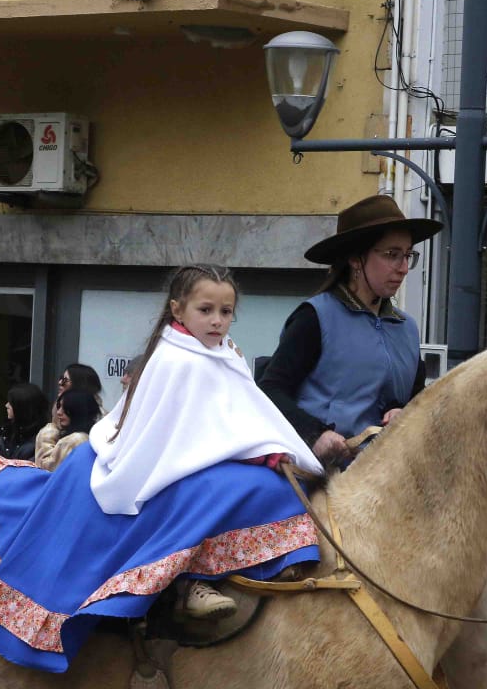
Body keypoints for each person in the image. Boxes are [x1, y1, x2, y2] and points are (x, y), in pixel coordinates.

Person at [89, 264, 323, 617]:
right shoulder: (176, 358)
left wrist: (266, 449)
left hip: (211, 455)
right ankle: (190, 582)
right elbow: (192, 432)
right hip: (172, 464)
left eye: (226, 312)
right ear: (177, 309)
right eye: (206, 310)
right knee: (221, 493)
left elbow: (238, 412)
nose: (217, 321)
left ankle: (267, 562)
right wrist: (259, 454)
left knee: (279, 488)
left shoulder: (224, 349)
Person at [259, 194, 440, 466]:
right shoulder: (315, 317)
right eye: (392, 255)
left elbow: (417, 401)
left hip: (391, 473)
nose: (403, 268)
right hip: (322, 474)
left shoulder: (408, 329)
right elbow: (270, 391)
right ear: (356, 259)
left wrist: (403, 412)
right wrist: (315, 434)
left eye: (408, 255)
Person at [36, 364, 102, 465]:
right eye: (60, 378)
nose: (59, 383)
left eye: (65, 380)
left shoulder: (99, 418)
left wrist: (50, 429)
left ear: (80, 383)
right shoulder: (61, 403)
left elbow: (47, 466)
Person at [43, 389, 98, 471]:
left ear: (78, 410)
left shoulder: (72, 441)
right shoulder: (95, 435)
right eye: (59, 407)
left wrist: (48, 433)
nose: (58, 412)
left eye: (65, 408)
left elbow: (46, 469)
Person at [0, 382, 49, 461]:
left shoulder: (40, 441)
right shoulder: (7, 432)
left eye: (11, 403)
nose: (6, 405)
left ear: (22, 407)